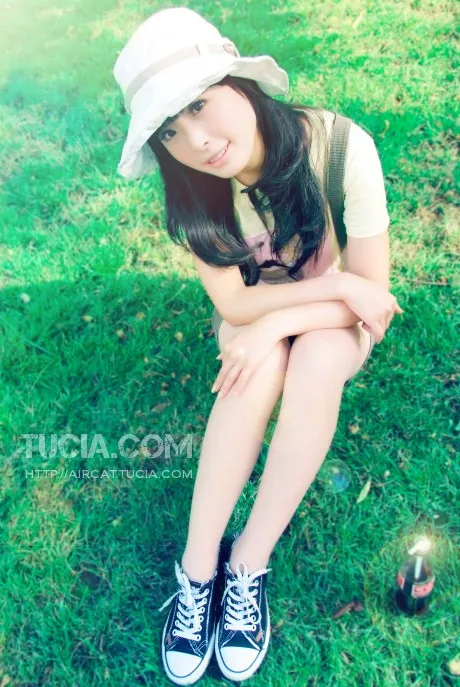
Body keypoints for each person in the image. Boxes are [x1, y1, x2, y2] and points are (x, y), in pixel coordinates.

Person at [113, 7, 403, 684]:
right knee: (260, 361)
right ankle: (197, 570)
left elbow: (372, 298)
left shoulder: (341, 148)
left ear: (237, 80)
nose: (196, 140)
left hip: (335, 323)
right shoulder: (194, 190)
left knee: (316, 356)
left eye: (199, 105)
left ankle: (248, 561)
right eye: (169, 130)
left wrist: (288, 318)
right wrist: (276, 324)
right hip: (261, 318)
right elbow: (236, 305)